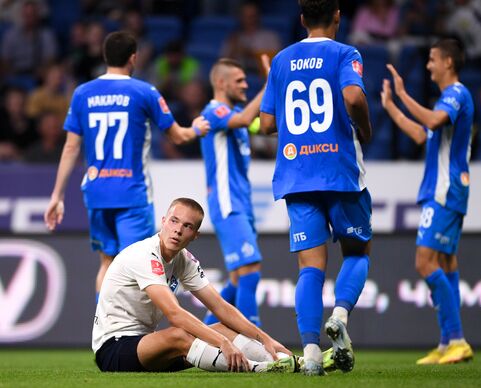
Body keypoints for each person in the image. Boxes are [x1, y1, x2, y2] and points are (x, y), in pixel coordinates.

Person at [44, 31, 210, 300]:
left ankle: (103, 334)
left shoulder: (82, 93)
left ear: (105, 56)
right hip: (132, 193)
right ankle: (131, 337)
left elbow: (71, 147)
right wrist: (197, 129)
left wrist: (57, 195)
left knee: (107, 264)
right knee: (139, 264)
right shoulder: (144, 91)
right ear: (133, 58)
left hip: (97, 192)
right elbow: (178, 136)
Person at [260, 0, 374, 376]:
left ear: (302, 19)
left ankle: (310, 354)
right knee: (357, 252)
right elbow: (354, 97)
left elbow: (264, 124)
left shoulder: (281, 60)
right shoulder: (345, 52)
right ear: (338, 16)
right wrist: (366, 128)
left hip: (297, 174)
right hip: (339, 171)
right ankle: (339, 316)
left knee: (310, 267)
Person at [92, 197, 297, 373]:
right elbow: (174, 314)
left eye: (187, 226)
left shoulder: (184, 259)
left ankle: (289, 361)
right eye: (174, 221)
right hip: (113, 349)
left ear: (195, 235)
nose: (178, 230)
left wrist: (265, 339)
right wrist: (222, 343)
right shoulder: (144, 254)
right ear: (163, 222)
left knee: (222, 329)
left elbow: (220, 307)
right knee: (179, 334)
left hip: (147, 346)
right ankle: (258, 368)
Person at [380, 38, 474, 364]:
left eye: (433, 59)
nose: (428, 65)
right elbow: (423, 135)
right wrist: (392, 106)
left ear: (448, 62)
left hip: (444, 192)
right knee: (446, 264)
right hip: (446, 190)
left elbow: (432, 122)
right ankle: (449, 342)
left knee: (425, 262)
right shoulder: (447, 101)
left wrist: (404, 95)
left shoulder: (456, 95)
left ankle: (458, 338)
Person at [199, 57, 269, 327]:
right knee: (250, 269)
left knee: (239, 277)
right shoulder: (214, 113)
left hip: (242, 202)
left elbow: (262, 125)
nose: (245, 84)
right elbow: (244, 119)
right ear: (220, 82)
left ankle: (200, 334)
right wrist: (268, 84)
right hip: (227, 203)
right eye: (239, 80)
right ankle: (257, 339)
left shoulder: (235, 116)